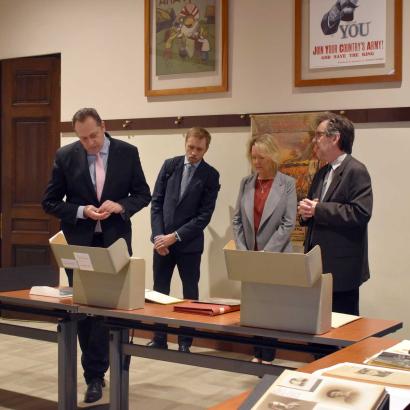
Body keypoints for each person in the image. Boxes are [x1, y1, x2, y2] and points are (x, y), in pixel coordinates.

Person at [42, 108, 151, 403]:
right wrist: (81, 211)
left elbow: (143, 194)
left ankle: (107, 366)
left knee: (110, 308)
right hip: (80, 244)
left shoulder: (128, 152)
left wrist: (121, 206)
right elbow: (50, 202)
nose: (90, 143)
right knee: (85, 311)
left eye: (93, 135)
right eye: (83, 138)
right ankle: (93, 375)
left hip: (114, 243)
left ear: (104, 126)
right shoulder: (66, 156)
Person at [149, 127, 220, 352]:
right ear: (185, 143)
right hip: (162, 244)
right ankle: (159, 337)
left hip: (188, 245)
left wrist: (175, 237)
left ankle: (185, 341)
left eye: (199, 149)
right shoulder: (170, 166)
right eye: (191, 147)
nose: (193, 153)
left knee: (190, 293)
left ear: (206, 149)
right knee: (160, 291)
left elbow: (203, 216)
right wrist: (159, 237)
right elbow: (156, 203)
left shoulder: (210, 175)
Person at [298, 112, 373, 315]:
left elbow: (360, 213)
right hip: (316, 266)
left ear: (335, 138)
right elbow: (315, 208)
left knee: (341, 333)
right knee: (315, 330)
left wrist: (318, 209)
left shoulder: (356, 170)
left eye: (319, 135)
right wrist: (305, 213)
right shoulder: (322, 172)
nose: (315, 140)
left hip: (341, 270)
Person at [232, 134, 297, 364]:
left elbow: (288, 223)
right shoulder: (246, 183)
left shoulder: (287, 184)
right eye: (253, 158)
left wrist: (265, 254)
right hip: (250, 255)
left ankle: (268, 354)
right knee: (254, 306)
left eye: (261, 157)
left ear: (272, 157)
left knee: (272, 308)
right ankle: (256, 352)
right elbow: (237, 220)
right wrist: (243, 251)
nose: (256, 162)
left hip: (275, 256)